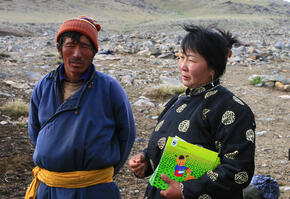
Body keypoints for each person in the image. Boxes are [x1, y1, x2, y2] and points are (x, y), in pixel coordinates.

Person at [129, 24, 256, 199]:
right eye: (181, 57)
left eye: (192, 60)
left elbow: (238, 171)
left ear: (213, 67)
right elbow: (169, 146)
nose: (183, 66)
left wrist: (186, 190)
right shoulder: (178, 100)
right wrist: (145, 160)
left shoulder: (233, 109)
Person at [25, 16, 136, 199]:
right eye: (70, 45)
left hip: (93, 190)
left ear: (93, 52)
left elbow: (126, 135)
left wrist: (97, 174)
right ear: (60, 49)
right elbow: (35, 131)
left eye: (84, 46)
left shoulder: (109, 88)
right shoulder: (43, 86)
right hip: (48, 188)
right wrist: (52, 156)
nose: (77, 53)